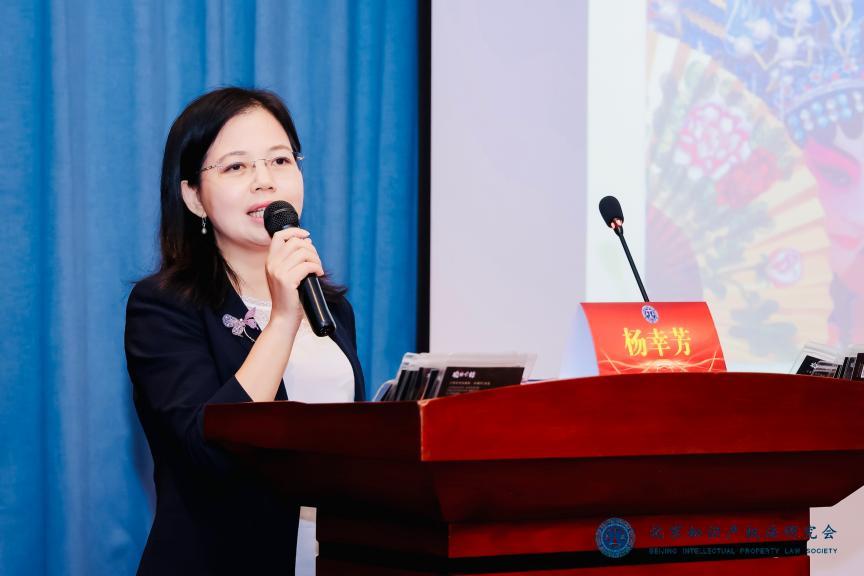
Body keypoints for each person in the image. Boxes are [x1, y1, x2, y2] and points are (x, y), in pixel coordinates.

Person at [125, 87, 365, 576]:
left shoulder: (332, 308)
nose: (264, 181)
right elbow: (207, 453)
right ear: (194, 197)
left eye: (280, 160)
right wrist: (282, 320)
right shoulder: (164, 307)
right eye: (236, 166)